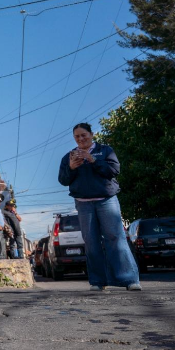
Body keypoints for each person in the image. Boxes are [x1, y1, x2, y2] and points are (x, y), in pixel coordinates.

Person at [58, 122, 141, 291]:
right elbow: (63, 180)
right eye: (77, 136)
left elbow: (113, 171)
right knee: (91, 241)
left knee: (115, 237)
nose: (81, 139)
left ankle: (129, 279)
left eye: (83, 135)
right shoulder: (68, 157)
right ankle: (98, 281)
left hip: (106, 200)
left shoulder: (105, 151)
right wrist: (72, 168)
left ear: (91, 134)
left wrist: (93, 160)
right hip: (83, 204)